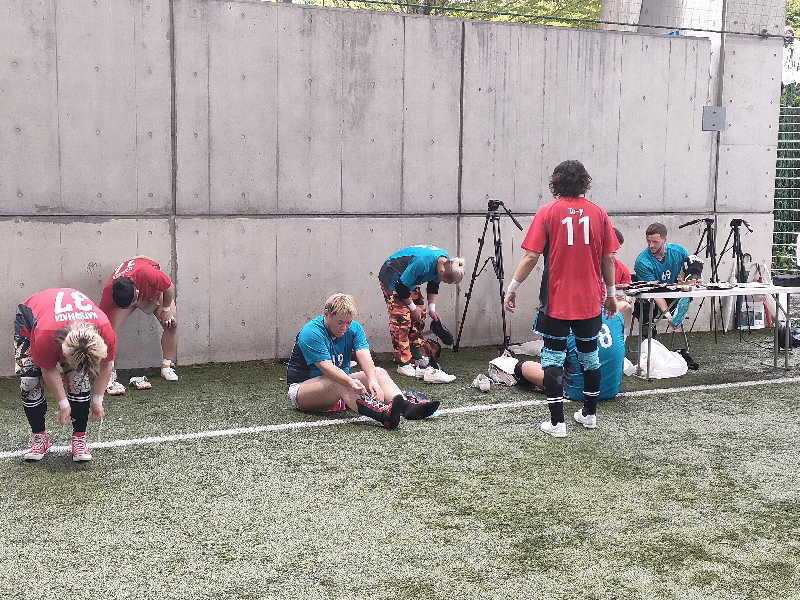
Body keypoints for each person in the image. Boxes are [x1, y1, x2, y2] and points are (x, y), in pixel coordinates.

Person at [504, 160, 618, 438]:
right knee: (589, 357)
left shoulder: (548, 212)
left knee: (553, 359)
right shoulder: (599, 213)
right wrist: (612, 295)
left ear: (556, 183)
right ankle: (589, 415)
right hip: (591, 300)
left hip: (556, 301)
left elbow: (531, 256)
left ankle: (558, 423)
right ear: (584, 182)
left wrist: (513, 286)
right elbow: (608, 259)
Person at [286, 293, 437, 429]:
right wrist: (350, 382)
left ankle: (407, 407)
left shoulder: (354, 328)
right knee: (340, 380)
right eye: (340, 322)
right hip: (302, 391)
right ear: (326, 314)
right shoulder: (311, 332)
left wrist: (372, 381)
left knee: (378, 372)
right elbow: (327, 368)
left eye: (348, 322)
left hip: (336, 387)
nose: (344, 327)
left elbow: (363, 354)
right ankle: (385, 415)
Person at [14, 288, 116, 461]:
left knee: (79, 379)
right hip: (31, 319)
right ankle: (40, 436)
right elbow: (48, 369)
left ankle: (79, 437)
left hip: (66, 323)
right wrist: (63, 404)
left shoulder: (105, 328)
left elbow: (107, 366)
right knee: (29, 382)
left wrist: (98, 401)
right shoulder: (45, 334)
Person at [515, 301, 632, 404]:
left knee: (523, 367)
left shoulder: (559, 321)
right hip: (612, 389)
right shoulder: (616, 315)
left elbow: (552, 364)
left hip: (579, 391)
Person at [378, 244, 464, 383]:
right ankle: (403, 364)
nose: (442, 281)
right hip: (393, 276)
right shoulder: (422, 263)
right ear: (442, 272)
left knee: (420, 315)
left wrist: (432, 309)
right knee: (401, 320)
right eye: (444, 280)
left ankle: (416, 356)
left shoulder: (445, 261)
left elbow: (433, 285)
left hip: (407, 280)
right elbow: (401, 287)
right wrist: (412, 308)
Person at [98, 256, 178, 393]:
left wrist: (165, 309)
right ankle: (109, 370)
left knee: (171, 324)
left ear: (136, 290)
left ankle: (166, 366)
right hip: (128, 295)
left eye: (134, 301)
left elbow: (169, 287)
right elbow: (102, 331)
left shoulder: (147, 273)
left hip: (151, 290)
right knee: (107, 331)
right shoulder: (109, 293)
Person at [633, 223, 690, 333]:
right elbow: (654, 292)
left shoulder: (679, 252)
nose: (650, 245)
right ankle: (648, 339)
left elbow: (690, 270)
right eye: (648, 241)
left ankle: (679, 314)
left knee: (687, 288)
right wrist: (668, 315)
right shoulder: (642, 261)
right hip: (653, 297)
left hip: (673, 294)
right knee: (645, 303)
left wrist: (695, 276)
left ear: (664, 240)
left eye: (655, 242)